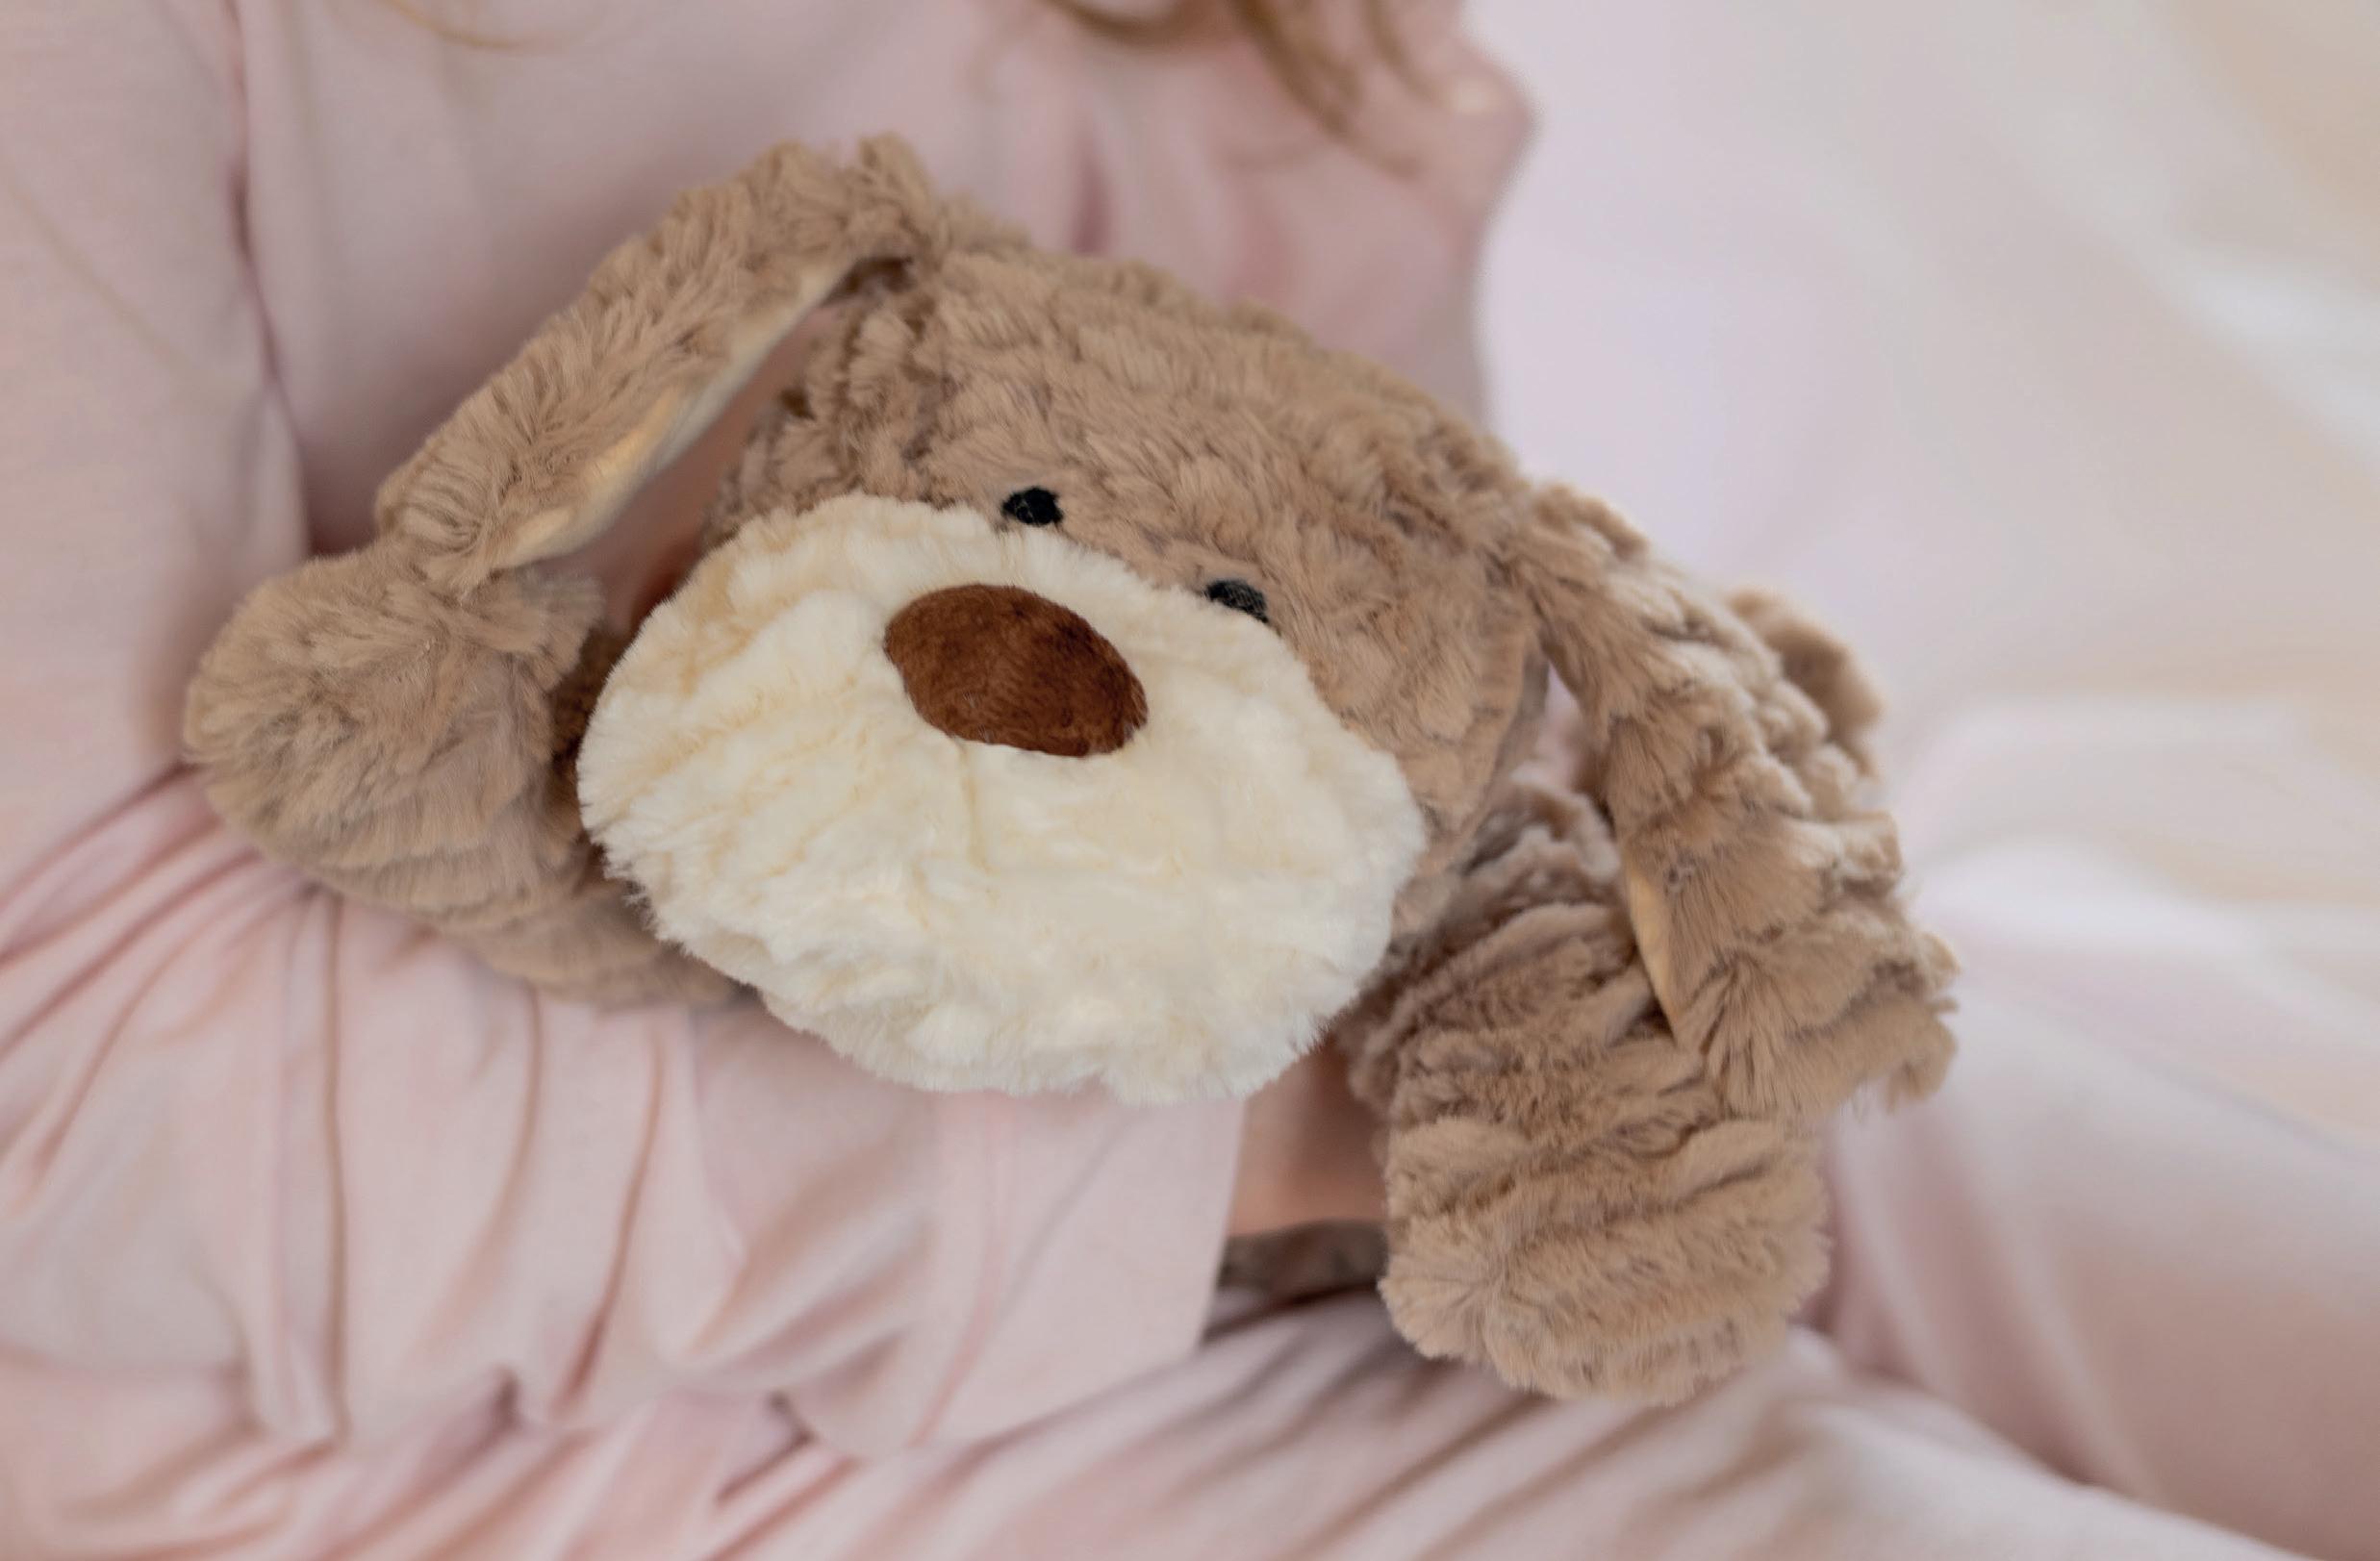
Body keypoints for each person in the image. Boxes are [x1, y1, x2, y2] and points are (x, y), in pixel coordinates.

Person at [1, 3, 2374, 1556]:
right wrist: (1344, 1132)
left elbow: (1374, 674)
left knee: (2135, 1225)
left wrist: (1574, 1011)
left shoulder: (1230, 50)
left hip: (1310, 1132)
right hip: (450, 1419)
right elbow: (77, 1097)